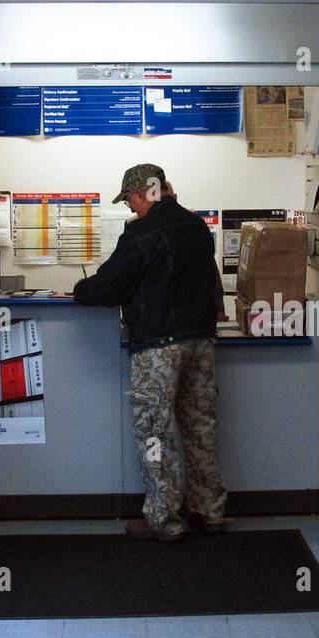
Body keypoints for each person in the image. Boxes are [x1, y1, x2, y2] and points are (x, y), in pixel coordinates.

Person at [73, 164, 228, 542]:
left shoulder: (140, 234)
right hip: (201, 344)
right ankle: (209, 511)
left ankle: (164, 517)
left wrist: (81, 289)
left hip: (158, 349)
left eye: (130, 200)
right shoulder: (197, 228)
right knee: (200, 428)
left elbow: (109, 287)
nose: (130, 208)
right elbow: (212, 284)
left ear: (145, 193)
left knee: (155, 433)